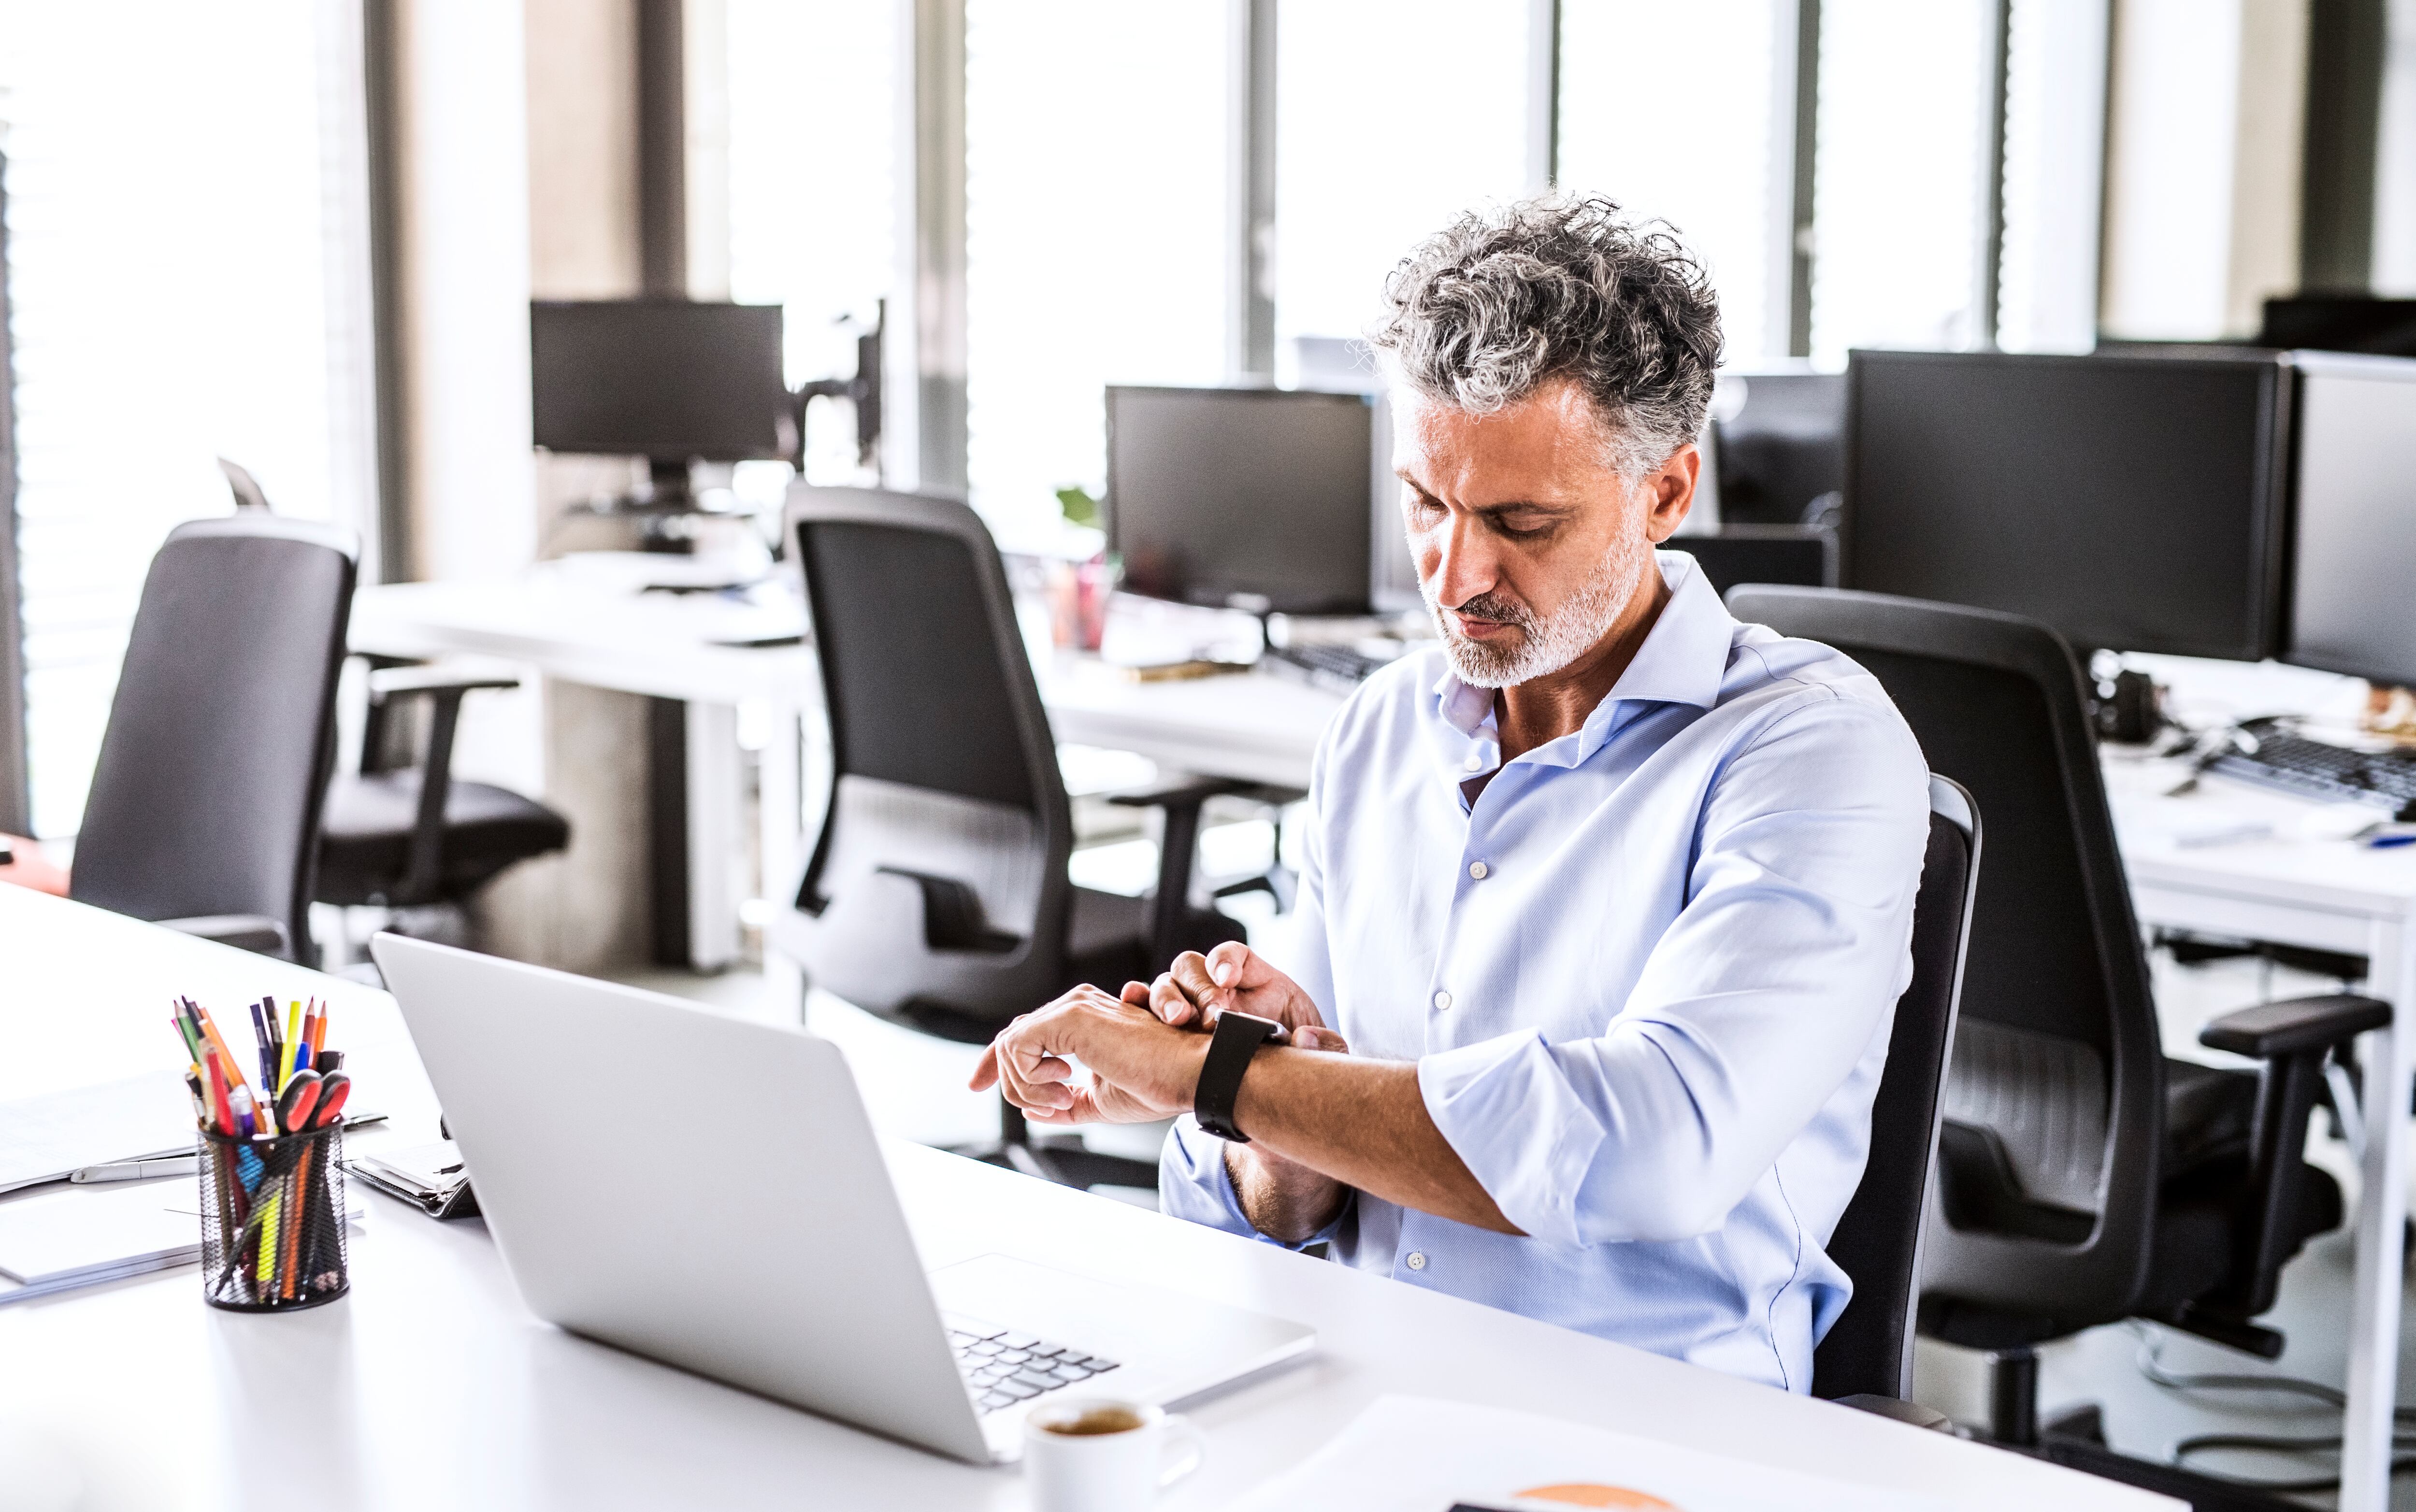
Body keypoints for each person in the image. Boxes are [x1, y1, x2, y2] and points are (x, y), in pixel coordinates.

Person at [971, 195, 1930, 1393]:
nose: (1457, 572)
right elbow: (1273, 1204)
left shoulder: (1808, 749)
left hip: (1638, 1419)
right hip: (1349, 1378)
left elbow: (1652, 1149)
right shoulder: (1382, 727)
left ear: (1669, 493)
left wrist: (1214, 1079)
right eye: (1427, 503)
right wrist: (1288, 1077)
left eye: (1522, 521)